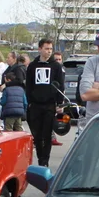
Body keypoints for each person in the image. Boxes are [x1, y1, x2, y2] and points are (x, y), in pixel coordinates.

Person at [25, 38, 65, 166]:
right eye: (46, 49)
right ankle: (40, 156)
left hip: (49, 104)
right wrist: (29, 101)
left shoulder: (56, 66)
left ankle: (44, 161)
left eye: (50, 49)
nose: (49, 51)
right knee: (36, 134)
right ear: (40, 49)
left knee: (46, 134)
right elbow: (29, 85)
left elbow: (60, 86)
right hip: (35, 105)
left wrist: (59, 104)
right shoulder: (32, 66)